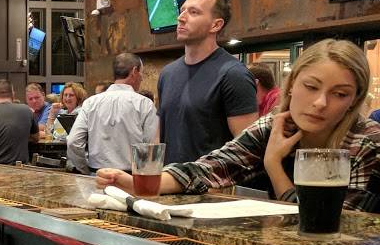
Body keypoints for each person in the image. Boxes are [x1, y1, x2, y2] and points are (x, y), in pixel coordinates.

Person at [96, 39, 380, 209]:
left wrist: (273, 165)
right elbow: (212, 168)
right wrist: (139, 183)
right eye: (311, 86)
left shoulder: (367, 143)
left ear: (354, 101)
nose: (320, 102)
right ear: (292, 85)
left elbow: (329, 227)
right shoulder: (274, 126)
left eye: (339, 94)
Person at [157, 0, 258, 164]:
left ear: (215, 25)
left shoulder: (234, 75)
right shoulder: (168, 73)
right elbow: (159, 137)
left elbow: (246, 151)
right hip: (166, 178)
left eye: (193, 12)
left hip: (209, 181)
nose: (181, 18)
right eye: (182, 10)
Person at [66, 53, 158, 173]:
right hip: (131, 177)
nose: (142, 78)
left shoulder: (90, 103)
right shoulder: (145, 104)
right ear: (134, 71)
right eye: (141, 73)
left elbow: (73, 142)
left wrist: (84, 170)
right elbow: (151, 147)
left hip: (97, 175)